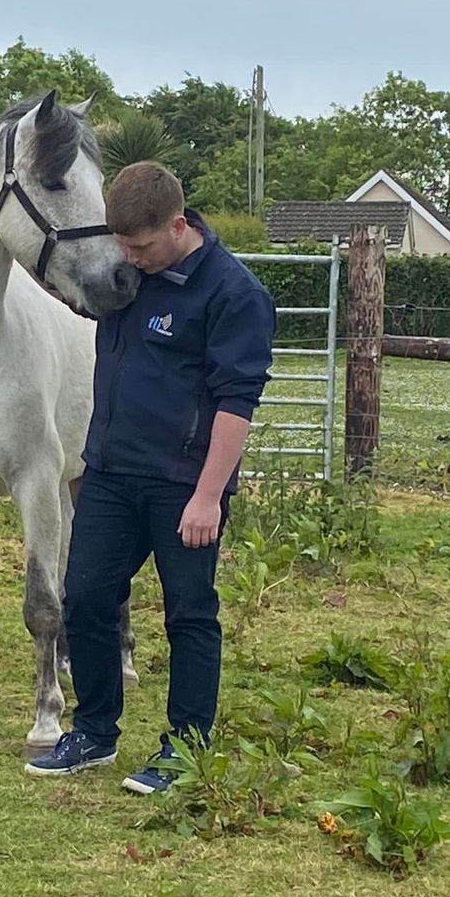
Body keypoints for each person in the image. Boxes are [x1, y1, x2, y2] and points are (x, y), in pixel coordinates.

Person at [26, 162, 276, 793]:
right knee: (84, 599)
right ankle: (95, 731)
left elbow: (235, 402)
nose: (129, 259)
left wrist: (208, 497)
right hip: (109, 470)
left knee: (189, 613)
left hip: (183, 485)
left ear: (178, 223)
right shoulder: (128, 277)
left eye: (139, 246)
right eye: (122, 247)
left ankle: (185, 747)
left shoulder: (233, 294)